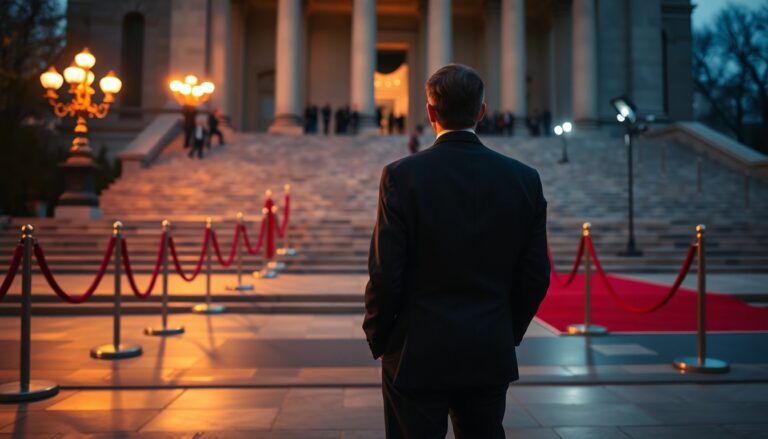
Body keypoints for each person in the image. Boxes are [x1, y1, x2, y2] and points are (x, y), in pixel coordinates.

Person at [363, 64, 549, 439]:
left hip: (416, 348)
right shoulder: (524, 179)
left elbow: (385, 272)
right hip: (488, 347)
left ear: (430, 112)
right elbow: (535, 275)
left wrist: (381, 337)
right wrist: (504, 331)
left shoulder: (401, 176)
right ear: (482, 112)